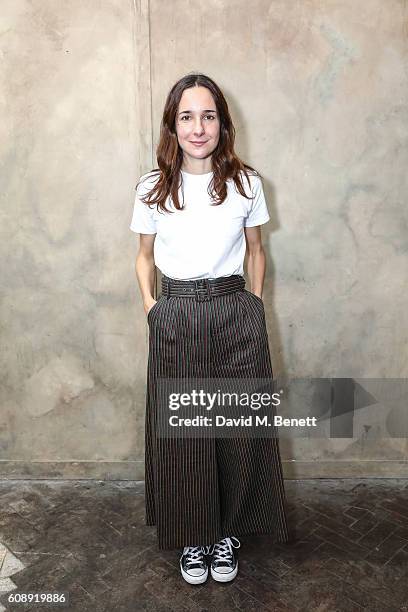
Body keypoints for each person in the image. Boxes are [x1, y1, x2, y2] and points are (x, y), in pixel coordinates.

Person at [130, 73, 290, 585]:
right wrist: (154, 306)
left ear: (223, 123)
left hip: (233, 311)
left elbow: (257, 250)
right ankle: (194, 538)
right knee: (185, 432)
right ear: (172, 126)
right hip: (176, 315)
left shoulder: (246, 183)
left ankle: (228, 534)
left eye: (208, 115)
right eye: (186, 116)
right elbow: (144, 257)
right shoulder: (153, 188)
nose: (198, 127)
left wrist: (254, 306)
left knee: (235, 430)